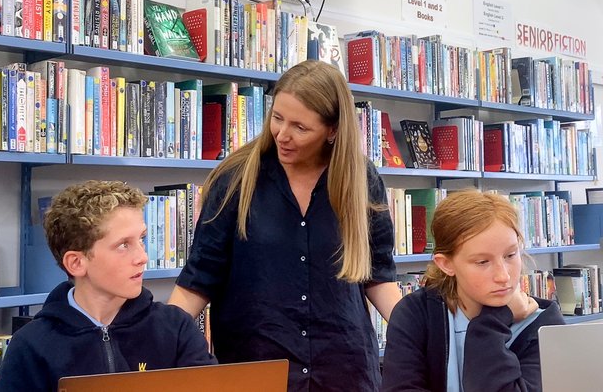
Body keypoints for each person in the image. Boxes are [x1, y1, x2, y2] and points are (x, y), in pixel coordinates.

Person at [169, 60, 401, 391]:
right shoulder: (234, 179)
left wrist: (419, 333)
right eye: (277, 118)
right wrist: (156, 338)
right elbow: (198, 280)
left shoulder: (361, 179)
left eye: (301, 127)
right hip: (256, 370)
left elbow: (378, 275)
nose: (283, 135)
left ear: (333, 130)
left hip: (345, 371)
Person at [0, 180, 216, 392]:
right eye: (123, 245)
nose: (142, 257)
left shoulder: (176, 328)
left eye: (142, 239)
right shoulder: (31, 345)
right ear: (77, 263)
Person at [381, 189, 565, 392]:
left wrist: (491, 324)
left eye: (511, 255)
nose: (503, 276)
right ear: (446, 264)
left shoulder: (545, 324)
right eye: (482, 262)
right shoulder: (415, 313)